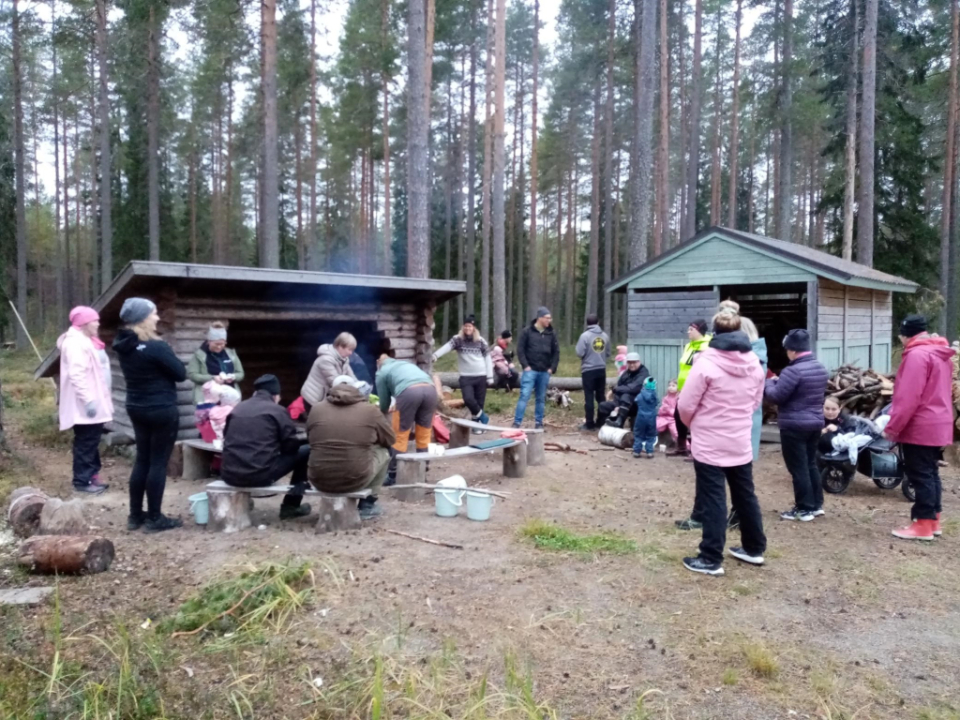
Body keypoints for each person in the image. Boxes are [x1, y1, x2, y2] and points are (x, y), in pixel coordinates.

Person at [677, 310, 766, 576]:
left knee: (713, 497)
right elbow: (755, 402)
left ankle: (710, 557)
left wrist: (694, 424)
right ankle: (754, 548)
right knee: (745, 494)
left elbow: (685, 404)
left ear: (714, 333)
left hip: (710, 441)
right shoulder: (754, 363)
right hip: (740, 439)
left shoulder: (706, 363)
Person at [112, 297, 186, 532]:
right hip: (161, 408)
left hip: (136, 407)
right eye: (153, 313)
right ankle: (155, 518)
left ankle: (135, 516)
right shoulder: (157, 347)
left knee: (142, 459)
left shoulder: (123, 344)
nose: (157, 317)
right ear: (143, 318)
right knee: (158, 463)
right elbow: (180, 373)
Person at [884, 314, 955, 540]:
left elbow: (908, 398)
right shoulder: (939, 354)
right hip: (939, 421)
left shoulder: (916, 355)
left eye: (901, 335)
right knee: (931, 473)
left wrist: (893, 427)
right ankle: (933, 520)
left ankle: (922, 524)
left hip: (921, 425)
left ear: (906, 334)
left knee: (920, 474)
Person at [220, 374, 312, 520]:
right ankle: (291, 506)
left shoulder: (238, 409)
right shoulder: (277, 411)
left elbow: (226, 438)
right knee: (306, 451)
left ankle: (246, 501)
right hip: (259, 475)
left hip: (229, 474)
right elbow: (291, 446)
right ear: (275, 395)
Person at [307, 375, 396, 519]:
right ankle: (368, 504)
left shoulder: (316, 409)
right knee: (383, 452)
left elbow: (310, 438)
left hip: (318, 479)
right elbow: (390, 439)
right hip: (354, 480)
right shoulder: (370, 410)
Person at [764, 329, 830, 522]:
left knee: (798, 468)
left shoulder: (792, 371)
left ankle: (804, 508)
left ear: (792, 350)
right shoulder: (819, 367)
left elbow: (776, 396)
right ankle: (816, 504)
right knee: (810, 464)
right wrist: (779, 382)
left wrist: (769, 383)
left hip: (794, 426)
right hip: (815, 423)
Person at [58, 306, 114, 495]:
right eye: (95, 320)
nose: (98, 323)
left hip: (92, 402)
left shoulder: (86, 340)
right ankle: (82, 481)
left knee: (91, 441)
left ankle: (92, 476)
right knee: (85, 443)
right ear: (83, 323)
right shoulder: (75, 344)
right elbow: (77, 374)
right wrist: (88, 400)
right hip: (83, 404)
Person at [432, 315, 494, 430]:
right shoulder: (458, 339)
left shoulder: (480, 341)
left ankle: (477, 425)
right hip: (466, 377)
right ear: (463, 327)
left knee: (479, 402)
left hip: (481, 375)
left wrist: (490, 377)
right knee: (468, 399)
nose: (468, 328)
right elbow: (446, 347)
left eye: (470, 326)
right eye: (466, 326)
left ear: (474, 328)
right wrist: (435, 355)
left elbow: (488, 359)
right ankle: (484, 418)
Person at [667, 320, 712, 458]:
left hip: (698, 388)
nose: (688, 332)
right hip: (684, 388)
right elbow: (684, 368)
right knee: (678, 415)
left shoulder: (708, 346)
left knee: (697, 419)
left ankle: (697, 451)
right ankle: (681, 447)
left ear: (699, 331)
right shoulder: (688, 346)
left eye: (691, 329)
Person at [376, 356, 438, 453]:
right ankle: (423, 465)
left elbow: (384, 399)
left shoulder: (382, 372)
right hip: (430, 390)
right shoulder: (405, 364)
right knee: (424, 431)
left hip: (410, 392)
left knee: (401, 432)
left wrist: (383, 410)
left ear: (378, 362)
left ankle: (395, 467)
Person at [512, 307, 560, 429]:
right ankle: (517, 422)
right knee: (524, 396)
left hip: (544, 371)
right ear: (540, 318)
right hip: (530, 370)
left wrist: (552, 368)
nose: (549, 320)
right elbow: (520, 349)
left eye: (550, 318)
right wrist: (525, 366)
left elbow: (556, 352)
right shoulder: (527, 331)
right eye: (547, 318)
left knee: (541, 398)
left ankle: (539, 423)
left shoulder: (551, 333)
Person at [186, 322, 245, 405]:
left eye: (222, 344)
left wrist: (233, 377)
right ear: (209, 341)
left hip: (229, 398)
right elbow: (192, 375)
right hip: (207, 399)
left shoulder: (231, 354)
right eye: (216, 344)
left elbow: (240, 373)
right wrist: (212, 378)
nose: (219, 347)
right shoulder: (199, 355)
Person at [301, 333, 357, 414]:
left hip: (324, 399)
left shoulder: (344, 359)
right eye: (349, 349)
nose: (351, 353)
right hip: (314, 399)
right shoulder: (325, 359)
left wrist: (359, 387)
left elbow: (352, 377)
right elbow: (335, 382)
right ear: (340, 346)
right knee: (318, 425)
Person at [576, 314, 611, 431]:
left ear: (587, 323)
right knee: (601, 397)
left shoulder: (584, 336)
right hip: (601, 370)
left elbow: (579, 353)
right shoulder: (605, 336)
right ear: (598, 322)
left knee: (589, 397)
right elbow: (608, 353)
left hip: (588, 371)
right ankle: (601, 422)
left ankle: (589, 424)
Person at [597, 353, 650, 428]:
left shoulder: (643, 374)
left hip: (636, 405)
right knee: (603, 405)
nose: (631, 365)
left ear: (639, 362)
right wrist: (617, 403)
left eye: (634, 362)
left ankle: (619, 422)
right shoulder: (627, 373)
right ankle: (601, 426)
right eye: (629, 362)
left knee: (626, 395)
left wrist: (614, 390)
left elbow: (633, 389)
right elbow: (619, 385)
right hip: (621, 403)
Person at [632, 377, 659, 459]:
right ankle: (649, 452)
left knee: (638, 434)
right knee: (651, 435)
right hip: (651, 418)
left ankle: (636, 451)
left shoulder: (640, 395)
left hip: (641, 417)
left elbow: (636, 401)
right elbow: (657, 403)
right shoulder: (654, 396)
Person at [657, 379, 679, 444]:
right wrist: (663, 410)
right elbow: (662, 411)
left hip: (674, 419)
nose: (671, 387)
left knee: (675, 432)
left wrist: (669, 410)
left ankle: (685, 447)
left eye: (673, 386)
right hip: (664, 418)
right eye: (669, 385)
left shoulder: (679, 398)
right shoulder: (665, 398)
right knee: (655, 426)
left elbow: (677, 411)